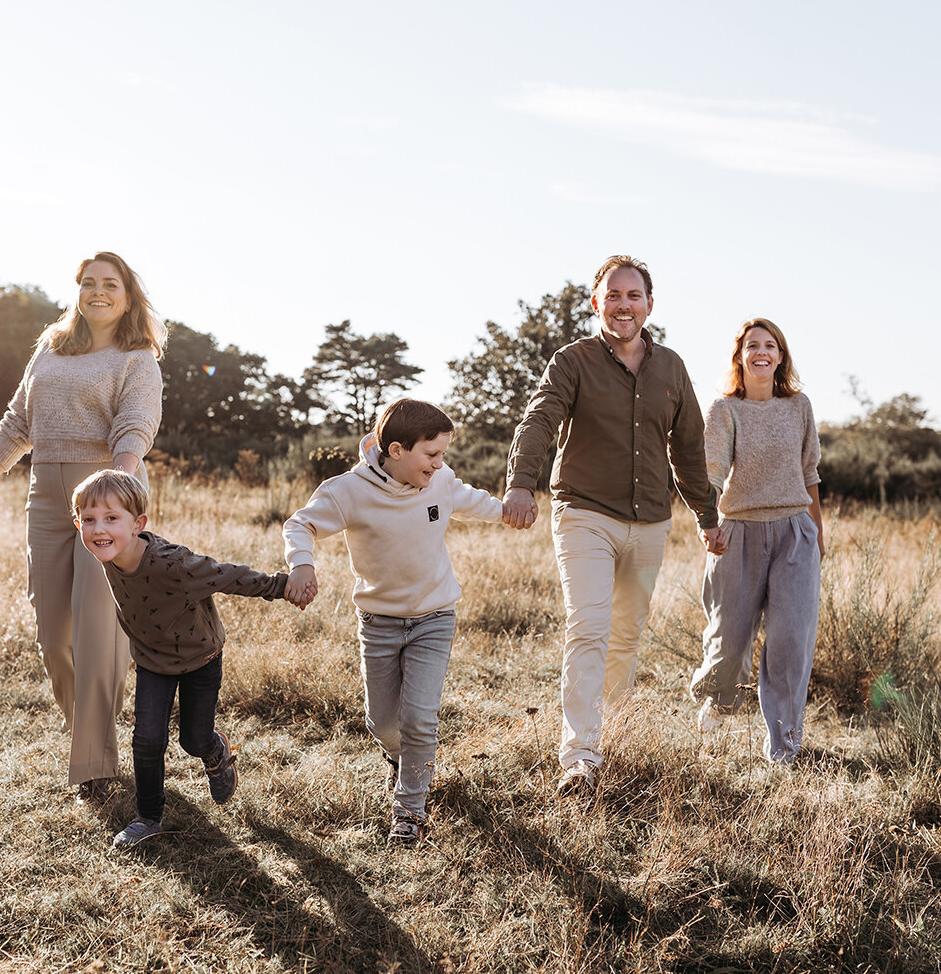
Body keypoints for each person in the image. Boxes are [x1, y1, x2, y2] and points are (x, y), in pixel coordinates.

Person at [502, 254, 723, 798]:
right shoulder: (572, 361)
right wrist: (519, 482)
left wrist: (708, 515)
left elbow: (689, 447)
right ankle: (579, 755)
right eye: (614, 295)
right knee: (589, 626)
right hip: (584, 512)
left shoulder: (671, 367)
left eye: (635, 296)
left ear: (650, 304)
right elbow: (540, 419)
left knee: (626, 634)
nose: (624, 305)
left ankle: (612, 736)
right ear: (596, 302)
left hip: (649, 520)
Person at [0, 252, 166, 805]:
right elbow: (17, 422)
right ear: (78, 290)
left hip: (105, 496)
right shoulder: (51, 348)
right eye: (90, 283)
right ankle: (93, 736)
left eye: (111, 284)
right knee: (54, 635)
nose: (99, 292)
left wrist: (113, 492)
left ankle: (94, 763)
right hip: (46, 495)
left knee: (99, 626)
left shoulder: (136, 357)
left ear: (127, 296)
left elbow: (135, 424)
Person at [282, 399, 513, 847]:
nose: (440, 464)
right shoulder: (347, 491)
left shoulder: (440, 481)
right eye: (431, 454)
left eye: (443, 454)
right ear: (394, 450)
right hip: (379, 622)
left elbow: (470, 500)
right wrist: (302, 565)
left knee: (420, 720)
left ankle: (409, 812)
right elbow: (300, 525)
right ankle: (402, 761)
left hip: (434, 618)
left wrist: (507, 510)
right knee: (382, 723)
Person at [70, 470, 311, 848]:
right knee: (146, 740)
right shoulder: (108, 550)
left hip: (201, 657)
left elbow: (226, 575)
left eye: (111, 518)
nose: (98, 529)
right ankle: (149, 817)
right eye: (88, 520)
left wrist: (283, 586)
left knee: (193, 739)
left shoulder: (172, 563)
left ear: (139, 525)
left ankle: (216, 752)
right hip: (153, 660)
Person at [689, 318, 824, 765]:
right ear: (740, 356)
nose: (761, 352)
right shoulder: (725, 409)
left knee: (790, 642)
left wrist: (817, 534)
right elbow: (710, 471)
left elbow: (810, 475)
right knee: (729, 641)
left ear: (781, 356)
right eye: (753, 345)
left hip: (794, 532)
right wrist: (707, 521)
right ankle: (718, 698)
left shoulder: (799, 406)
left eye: (770, 345)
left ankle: (783, 748)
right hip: (738, 534)